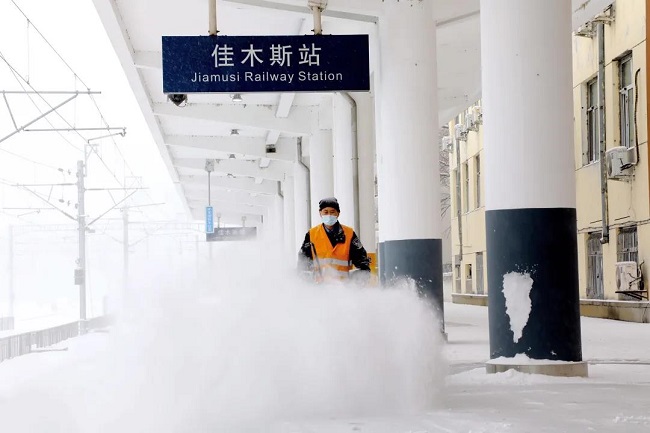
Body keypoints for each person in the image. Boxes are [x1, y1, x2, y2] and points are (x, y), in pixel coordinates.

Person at [298, 197, 371, 283]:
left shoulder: (349, 233)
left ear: (338, 213)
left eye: (332, 212)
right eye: (326, 212)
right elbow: (303, 261)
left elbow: (361, 259)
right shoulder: (311, 235)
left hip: (344, 288)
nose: (329, 215)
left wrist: (361, 277)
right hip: (319, 289)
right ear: (320, 213)